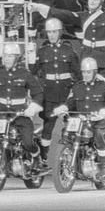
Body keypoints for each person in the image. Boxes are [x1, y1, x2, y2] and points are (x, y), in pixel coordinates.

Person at [53, 57, 105, 179]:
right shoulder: (77, 86)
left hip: (99, 120)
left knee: (98, 133)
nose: (86, 74)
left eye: (88, 72)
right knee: (67, 133)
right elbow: (71, 102)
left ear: (94, 72)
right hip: (81, 120)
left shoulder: (103, 86)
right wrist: (63, 108)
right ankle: (65, 160)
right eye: (84, 72)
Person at [0, 43, 43, 168]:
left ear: (17, 58)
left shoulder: (25, 74)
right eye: (5, 56)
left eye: (10, 56)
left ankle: (37, 159)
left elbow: (38, 94)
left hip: (20, 114)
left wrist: (32, 108)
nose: (7, 59)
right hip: (1, 114)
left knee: (28, 143)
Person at [32, 17, 78, 169]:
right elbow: (32, 73)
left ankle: (72, 161)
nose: (51, 35)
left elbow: (77, 74)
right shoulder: (42, 51)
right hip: (49, 93)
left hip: (66, 93)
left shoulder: (69, 50)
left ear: (60, 32)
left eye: (54, 32)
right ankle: (43, 159)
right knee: (47, 128)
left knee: (71, 126)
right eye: (49, 32)